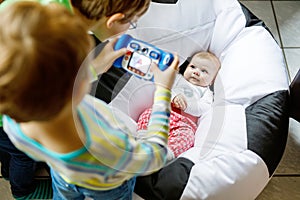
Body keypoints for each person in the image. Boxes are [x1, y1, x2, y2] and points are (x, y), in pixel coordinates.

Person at [0, 2, 179, 200]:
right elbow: (154, 156)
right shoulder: (101, 140)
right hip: (107, 186)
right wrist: (163, 92)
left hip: (63, 176)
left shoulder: (14, 123)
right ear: (77, 86)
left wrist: (95, 67)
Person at [137, 51, 221, 158]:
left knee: (188, 137)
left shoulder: (206, 92)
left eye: (204, 71)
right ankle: (142, 139)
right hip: (163, 112)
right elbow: (165, 86)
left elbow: (203, 108)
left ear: (212, 81)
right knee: (147, 113)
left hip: (184, 123)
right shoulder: (178, 79)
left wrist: (187, 106)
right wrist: (174, 96)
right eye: (193, 67)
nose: (196, 72)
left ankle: (167, 153)